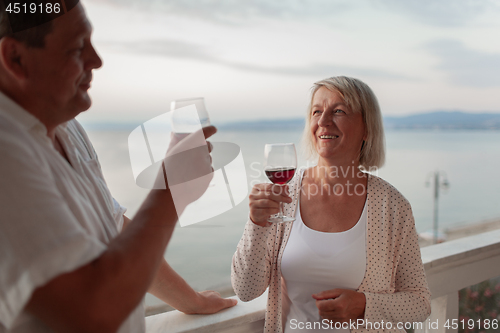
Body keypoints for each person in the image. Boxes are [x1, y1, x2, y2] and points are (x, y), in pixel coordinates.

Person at [0, 2, 236, 332]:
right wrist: (171, 190)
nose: (96, 60)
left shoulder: (67, 128)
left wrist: (190, 300)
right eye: (77, 47)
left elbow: (116, 234)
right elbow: (94, 310)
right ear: (16, 59)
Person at [231, 76, 431, 333]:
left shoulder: (392, 207)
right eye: (316, 111)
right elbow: (246, 290)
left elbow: (419, 303)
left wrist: (364, 305)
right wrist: (257, 223)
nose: (323, 121)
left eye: (338, 111)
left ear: (367, 128)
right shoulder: (282, 195)